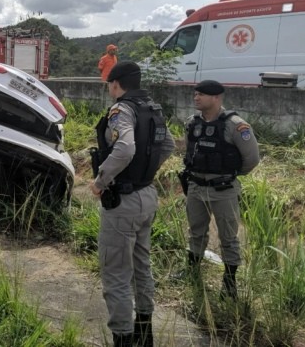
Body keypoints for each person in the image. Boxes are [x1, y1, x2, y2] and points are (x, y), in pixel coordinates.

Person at [90, 61, 175, 347]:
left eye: (109, 85)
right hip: (147, 195)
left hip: (122, 200)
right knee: (141, 265)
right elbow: (169, 145)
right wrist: (145, 172)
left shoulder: (121, 110)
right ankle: (144, 333)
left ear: (115, 84)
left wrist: (101, 180)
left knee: (116, 273)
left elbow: (125, 147)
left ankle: (123, 339)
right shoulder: (153, 109)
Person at [180, 80, 260, 299]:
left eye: (201, 94)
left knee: (228, 237)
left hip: (224, 189)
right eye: (195, 94)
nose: (196, 97)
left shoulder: (235, 125)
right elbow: (188, 151)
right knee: (195, 231)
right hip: (196, 187)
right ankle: (192, 272)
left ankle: (230, 282)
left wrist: (229, 174)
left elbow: (252, 159)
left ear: (216, 97)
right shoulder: (192, 123)